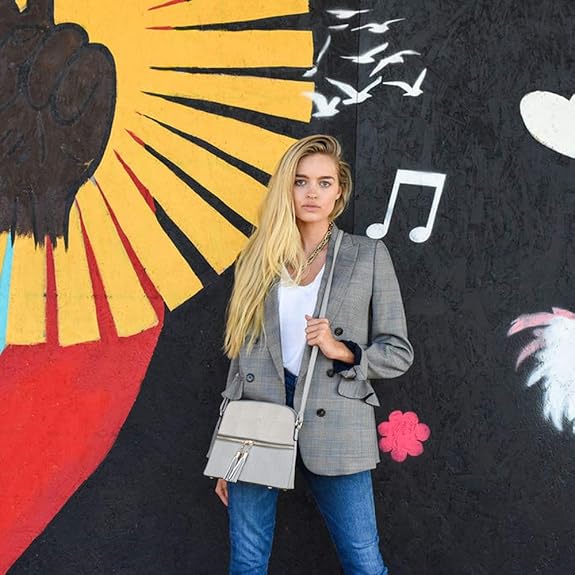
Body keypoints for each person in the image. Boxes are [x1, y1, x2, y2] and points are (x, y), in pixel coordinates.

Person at [214, 134, 413, 574]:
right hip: (257, 419)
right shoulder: (259, 258)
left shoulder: (367, 256)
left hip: (337, 420)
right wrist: (224, 450)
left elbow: (398, 352)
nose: (312, 193)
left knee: (364, 562)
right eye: (301, 181)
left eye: (324, 183)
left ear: (339, 191)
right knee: (246, 562)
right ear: (287, 188)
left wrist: (342, 350)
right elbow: (240, 363)